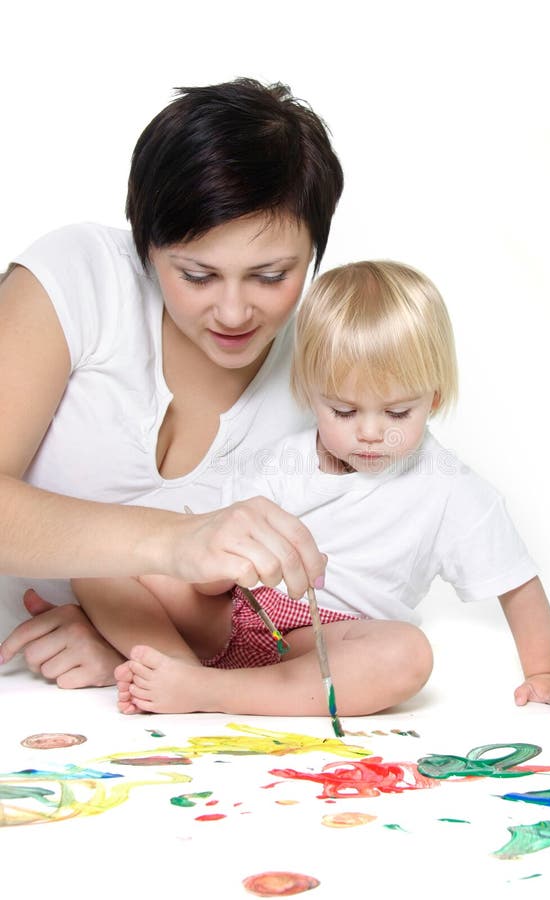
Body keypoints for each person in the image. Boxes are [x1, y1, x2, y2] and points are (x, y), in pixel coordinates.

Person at [76, 261, 550, 717]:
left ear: (436, 395)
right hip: (234, 614)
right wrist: (222, 566)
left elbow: (517, 584)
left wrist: (546, 672)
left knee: (408, 654)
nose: (371, 431)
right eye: (344, 410)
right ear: (310, 392)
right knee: (99, 557)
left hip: (331, 641)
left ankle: (207, 692)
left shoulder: (452, 492)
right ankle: (179, 671)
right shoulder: (281, 460)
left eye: (398, 411)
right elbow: (213, 575)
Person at [0, 78, 345, 687]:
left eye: (270, 276)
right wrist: (175, 540)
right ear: (147, 245)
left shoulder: (321, 376)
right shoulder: (76, 278)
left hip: (103, 706)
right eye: (197, 274)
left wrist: (130, 650)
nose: (235, 313)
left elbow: (267, 615)